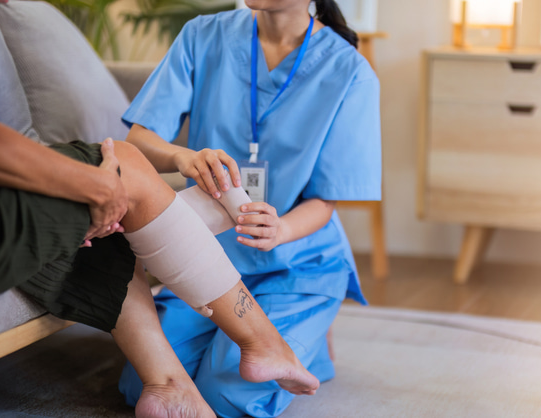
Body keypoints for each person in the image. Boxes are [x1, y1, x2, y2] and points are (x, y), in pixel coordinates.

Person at [0, 0, 321, 416]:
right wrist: (116, 179)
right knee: (123, 172)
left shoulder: (342, 65)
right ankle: (259, 339)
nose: (8, 4)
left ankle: (172, 386)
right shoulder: (203, 34)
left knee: (121, 192)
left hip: (297, 254)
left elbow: (330, 195)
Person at [117, 0, 382, 416]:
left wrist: (281, 231)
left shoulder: (349, 71)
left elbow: (324, 201)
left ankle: (309, 335)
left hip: (296, 261)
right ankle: (302, 340)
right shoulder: (203, 35)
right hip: (206, 259)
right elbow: (140, 139)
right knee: (143, 383)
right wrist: (182, 157)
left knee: (227, 393)